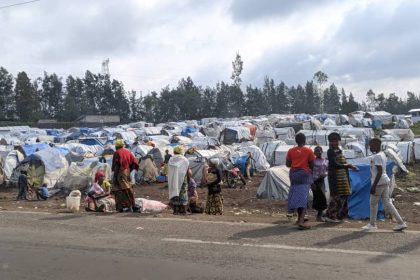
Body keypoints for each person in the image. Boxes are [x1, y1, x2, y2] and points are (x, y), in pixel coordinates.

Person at [362, 138, 407, 231]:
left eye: (371, 146)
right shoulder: (382, 154)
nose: (369, 147)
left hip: (378, 183)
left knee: (373, 203)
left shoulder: (377, 156)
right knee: (387, 203)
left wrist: (374, 186)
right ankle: (400, 222)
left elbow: (379, 171)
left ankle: (372, 224)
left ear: (376, 145)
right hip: (385, 181)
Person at [324, 132, 358, 223]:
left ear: (339, 141)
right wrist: (348, 165)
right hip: (335, 178)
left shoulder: (340, 150)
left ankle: (341, 216)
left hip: (343, 177)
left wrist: (347, 167)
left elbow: (342, 163)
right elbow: (334, 164)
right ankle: (330, 216)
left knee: (345, 196)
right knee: (337, 197)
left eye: (335, 141)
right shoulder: (330, 151)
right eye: (332, 141)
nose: (334, 143)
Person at [285, 133, 315, 230]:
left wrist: (296, 162)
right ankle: (301, 221)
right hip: (304, 174)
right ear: (304, 140)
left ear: (296, 140)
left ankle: (298, 219)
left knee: (296, 194)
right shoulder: (309, 151)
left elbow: (288, 164)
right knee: (303, 197)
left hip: (293, 174)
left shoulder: (291, 150)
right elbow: (312, 165)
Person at [111, 139, 139, 212]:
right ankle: (128, 206)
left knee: (121, 190)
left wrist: (115, 178)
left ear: (117, 146)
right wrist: (129, 172)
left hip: (120, 173)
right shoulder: (128, 152)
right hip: (127, 172)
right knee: (126, 189)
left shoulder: (117, 152)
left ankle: (130, 206)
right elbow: (134, 162)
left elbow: (117, 165)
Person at [168, 146, 189, 215]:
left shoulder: (171, 160)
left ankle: (175, 211)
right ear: (181, 152)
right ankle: (183, 211)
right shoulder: (185, 160)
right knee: (183, 194)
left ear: (174, 152)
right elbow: (187, 171)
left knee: (175, 193)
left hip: (173, 180)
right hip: (183, 180)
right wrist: (188, 180)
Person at [312, 146, 328, 221]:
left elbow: (328, 169)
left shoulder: (325, 160)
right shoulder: (313, 161)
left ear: (322, 151)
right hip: (314, 180)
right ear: (314, 153)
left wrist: (326, 173)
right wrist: (311, 183)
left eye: (320, 151)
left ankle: (319, 214)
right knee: (318, 196)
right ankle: (319, 215)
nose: (318, 152)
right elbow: (310, 171)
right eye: (317, 151)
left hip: (321, 180)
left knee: (322, 196)